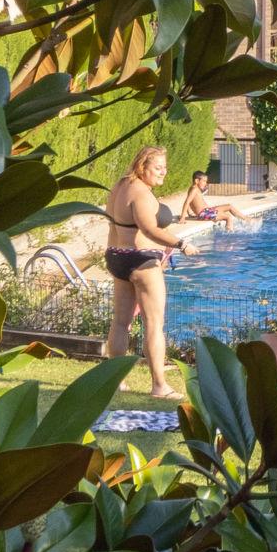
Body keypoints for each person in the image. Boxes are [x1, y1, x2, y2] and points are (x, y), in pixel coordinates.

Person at [104, 145, 193, 399]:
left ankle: (115, 381)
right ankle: (159, 386)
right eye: (158, 167)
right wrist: (181, 244)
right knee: (154, 324)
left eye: (165, 167)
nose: (163, 172)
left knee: (121, 322)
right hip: (141, 261)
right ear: (143, 166)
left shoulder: (120, 186)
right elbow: (150, 229)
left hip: (117, 256)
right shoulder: (140, 193)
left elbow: (114, 223)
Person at [180, 170, 253, 227]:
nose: (206, 183)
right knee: (228, 217)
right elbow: (187, 202)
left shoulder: (194, 189)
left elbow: (190, 202)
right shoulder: (194, 189)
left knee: (229, 206)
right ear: (197, 181)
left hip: (207, 211)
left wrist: (189, 214)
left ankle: (246, 219)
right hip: (204, 214)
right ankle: (229, 236)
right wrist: (182, 217)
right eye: (204, 181)